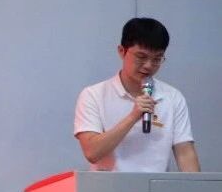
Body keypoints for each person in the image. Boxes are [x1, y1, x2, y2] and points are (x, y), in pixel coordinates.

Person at [74, 17, 200, 172]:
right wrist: (133, 116)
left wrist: (195, 187)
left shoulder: (173, 97)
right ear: (122, 51)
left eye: (157, 59)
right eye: (141, 57)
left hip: (154, 185)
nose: (148, 65)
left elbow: (185, 153)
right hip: (109, 185)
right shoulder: (93, 95)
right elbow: (92, 152)